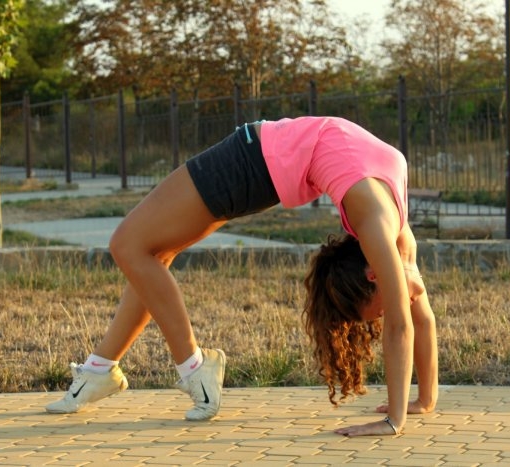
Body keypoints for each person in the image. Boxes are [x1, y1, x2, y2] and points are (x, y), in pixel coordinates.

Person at [45, 116, 438, 436]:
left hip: (259, 161)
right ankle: (113, 369)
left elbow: (420, 317)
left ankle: (168, 370)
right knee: (139, 249)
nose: (392, 307)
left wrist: (424, 399)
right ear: (373, 275)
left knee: (134, 247)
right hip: (252, 160)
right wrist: (395, 419)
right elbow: (403, 327)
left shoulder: (393, 234)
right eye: (384, 304)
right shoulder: (376, 224)